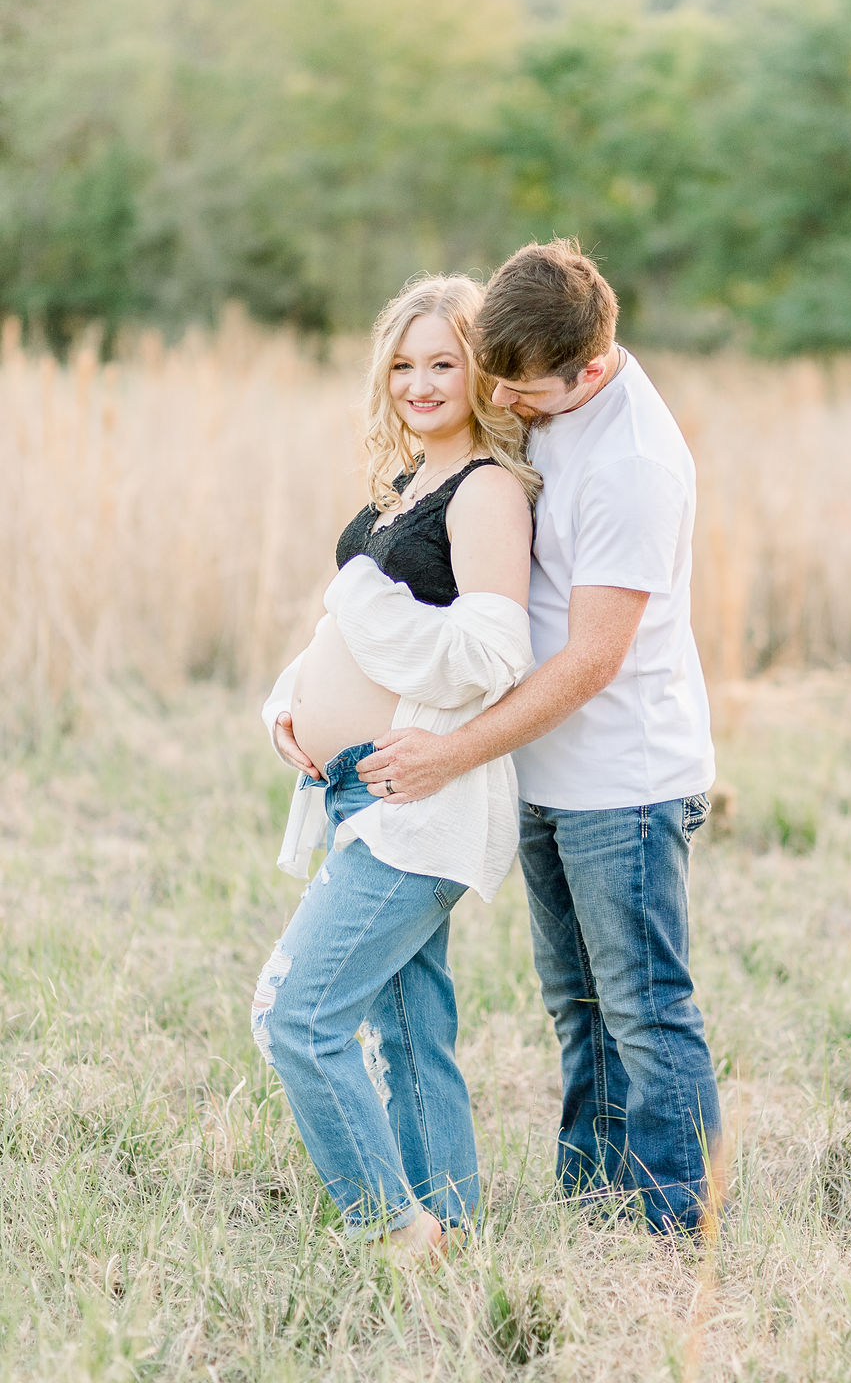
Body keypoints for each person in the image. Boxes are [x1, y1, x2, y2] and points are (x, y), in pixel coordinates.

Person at [357, 240, 722, 1238]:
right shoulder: (547, 390)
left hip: (625, 781)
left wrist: (454, 752)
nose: (506, 403)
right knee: (577, 1008)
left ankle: (669, 1229)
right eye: (497, 383)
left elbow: (592, 660)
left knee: (645, 1011)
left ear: (590, 371)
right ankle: (589, 1200)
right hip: (547, 772)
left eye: (523, 392)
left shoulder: (631, 464)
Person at [253, 274, 537, 1257]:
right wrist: (290, 705)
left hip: (422, 801)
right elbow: (346, 634)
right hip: (354, 792)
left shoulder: (487, 491)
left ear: (481, 373)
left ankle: (389, 1230)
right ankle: (447, 1225)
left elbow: (490, 655)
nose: (419, 383)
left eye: (443, 363)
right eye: (404, 364)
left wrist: (363, 602)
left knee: (298, 1017)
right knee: (407, 1028)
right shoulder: (401, 490)